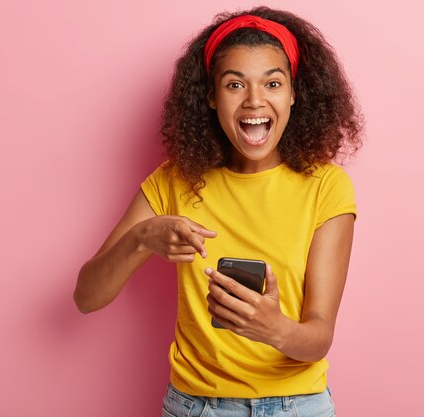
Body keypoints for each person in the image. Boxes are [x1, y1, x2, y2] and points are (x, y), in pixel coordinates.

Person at [74, 6, 363, 417]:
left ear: (295, 94)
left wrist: (274, 329)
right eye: (234, 85)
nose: (255, 101)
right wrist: (142, 238)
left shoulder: (327, 187)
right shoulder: (174, 181)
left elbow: (319, 336)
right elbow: (86, 297)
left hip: (297, 406)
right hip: (196, 407)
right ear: (210, 96)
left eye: (273, 83)